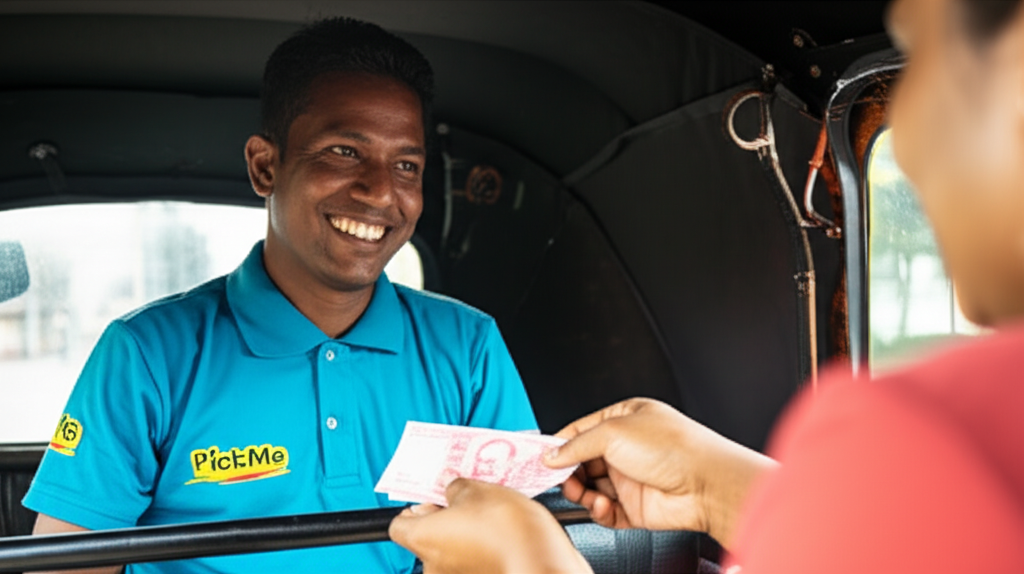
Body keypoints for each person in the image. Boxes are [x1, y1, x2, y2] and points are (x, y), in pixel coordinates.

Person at [388, 0, 1024, 571]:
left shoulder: (939, 432)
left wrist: (530, 567)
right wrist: (712, 487)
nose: (908, 141)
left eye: (926, 66)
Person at [22, 17, 537, 574]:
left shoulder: (468, 348)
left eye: (406, 165)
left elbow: (514, 545)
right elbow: (64, 567)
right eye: (344, 151)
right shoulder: (147, 353)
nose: (381, 190)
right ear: (265, 166)